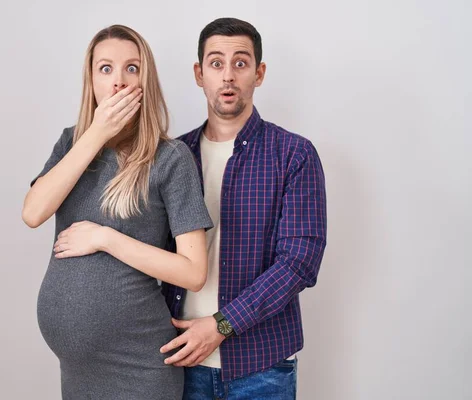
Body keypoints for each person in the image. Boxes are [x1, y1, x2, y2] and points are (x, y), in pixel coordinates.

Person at [22, 24, 213, 400]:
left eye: (132, 68)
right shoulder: (70, 143)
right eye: (105, 68)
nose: (119, 82)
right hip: (79, 370)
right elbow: (33, 212)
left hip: (138, 364)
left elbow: (193, 272)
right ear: (91, 79)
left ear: (146, 79)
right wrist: (96, 133)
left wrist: (105, 238)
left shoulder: (170, 158)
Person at [159, 18, 327, 400]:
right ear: (200, 74)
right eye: (216, 63)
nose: (228, 76)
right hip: (180, 359)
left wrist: (221, 325)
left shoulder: (294, 155)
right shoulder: (172, 157)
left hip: (262, 365)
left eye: (241, 62)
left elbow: (299, 262)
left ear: (259, 73)